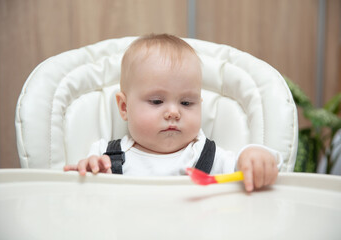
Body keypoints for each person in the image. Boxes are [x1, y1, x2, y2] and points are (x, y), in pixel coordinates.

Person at [64, 33, 281, 192]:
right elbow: (79, 200)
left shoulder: (207, 156)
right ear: (124, 107)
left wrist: (253, 156)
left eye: (186, 103)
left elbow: (249, 170)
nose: (173, 113)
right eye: (157, 101)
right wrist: (88, 176)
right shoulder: (105, 157)